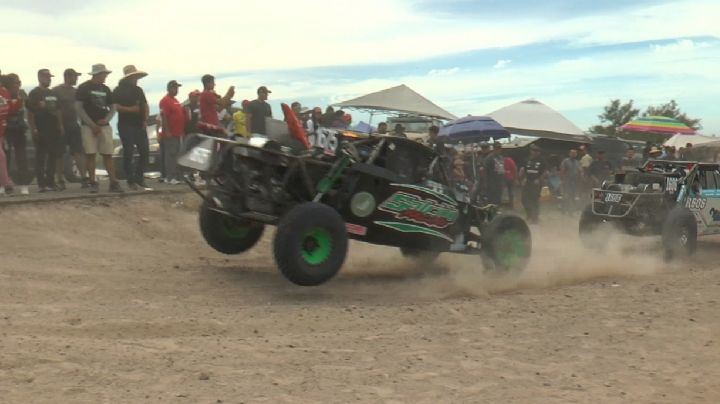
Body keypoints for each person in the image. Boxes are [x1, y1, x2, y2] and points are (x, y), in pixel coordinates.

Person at [76, 63, 122, 193]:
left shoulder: (106, 89)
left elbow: (113, 107)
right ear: (97, 74)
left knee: (107, 153)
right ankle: (92, 181)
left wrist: (106, 120)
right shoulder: (84, 88)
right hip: (88, 125)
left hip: (104, 125)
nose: (105, 77)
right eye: (104, 74)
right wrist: (91, 124)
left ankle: (113, 181)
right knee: (90, 154)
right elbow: (79, 108)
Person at [26, 69, 63, 192]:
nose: (49, 79)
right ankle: (41, 184)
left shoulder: (52, 93)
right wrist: (33, 128)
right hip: (41, 128)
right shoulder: (34, 93)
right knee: (41, 157)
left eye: (50, 77)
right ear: (40, 77)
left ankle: (51, 182)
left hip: (53, 128)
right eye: (47, 77)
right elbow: (30, 112)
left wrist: (60, 125)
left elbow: (58, 110)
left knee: (53, 156)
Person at [53, 68, 87, 189]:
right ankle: (60, 180)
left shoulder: (76, 91)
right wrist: (59, 124)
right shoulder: (56, 90)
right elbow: (54, 108)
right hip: (61, 124)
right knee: (60, 153)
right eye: (75, 76)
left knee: (78, 151)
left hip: (74, 124)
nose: (77, 79)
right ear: (67, 76)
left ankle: (84, 178)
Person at [1, 73, 30, 194]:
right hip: (7, 130)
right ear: (9, 85)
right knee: (5, 158)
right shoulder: (4, 94)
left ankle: (23, 184)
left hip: (19, 129)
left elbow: (18, 110)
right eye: (16, 83)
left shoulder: (19, 95)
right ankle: (4, 183)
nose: (18, 85)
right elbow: (8, 111)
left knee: (21, 157)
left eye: (20, 83)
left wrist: (22, 100)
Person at [159, 80, 189, 185]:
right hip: (170, 133)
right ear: (169, 88)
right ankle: (169, 177)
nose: (176, 90)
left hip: (179, 132)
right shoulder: (165, 100)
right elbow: (164, 116)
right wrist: (167, 130)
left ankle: (176, 176)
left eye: (177, 88)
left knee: (177, 155)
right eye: (174, 88)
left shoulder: (176, 100)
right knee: (170, 155)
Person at [519, 145, 547, 223]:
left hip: (536, 182)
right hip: (527, 181)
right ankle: (529, 215)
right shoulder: (527, 159)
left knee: (534, 200)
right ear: (531, 151)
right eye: (533, 151)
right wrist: (523, 178)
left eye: (536, 151)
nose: (535, 153)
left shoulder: (542, 160)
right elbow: (524, 169)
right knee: (524, 199)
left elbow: (545, 172)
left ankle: (535, 218)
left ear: (539, 152)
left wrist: (539, 179)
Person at [0, 76, 16, 195]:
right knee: (1, 156)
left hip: (2, 129)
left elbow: (9, 109)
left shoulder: (4, 92)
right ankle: (6, 183)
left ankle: (5, 182)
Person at [560, 149, 582, 213]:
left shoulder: (577, 162)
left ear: (576, 154)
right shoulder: (565, 161)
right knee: (565, 196)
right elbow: (562, 171)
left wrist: (579, 180)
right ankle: (563, 210)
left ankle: (571, 211)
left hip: (574, 182)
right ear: (569, 154)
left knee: (572, 196)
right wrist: (562, 180)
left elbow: (580, 172)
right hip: (567, 181)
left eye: (575, 153)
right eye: (572, 153)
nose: (573, 154)